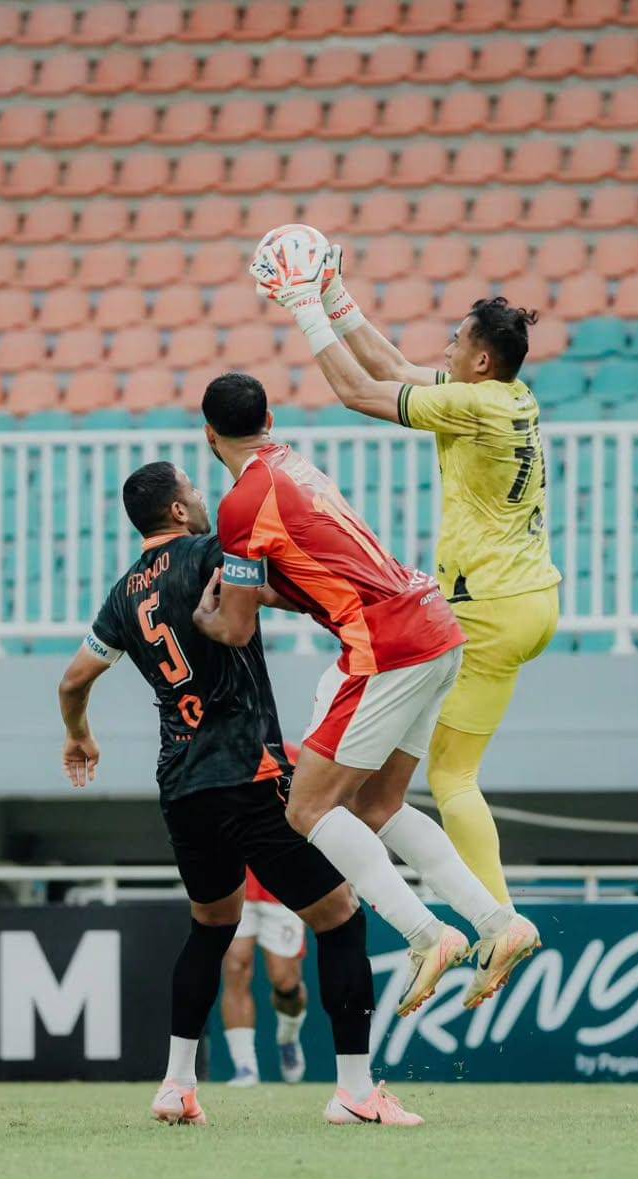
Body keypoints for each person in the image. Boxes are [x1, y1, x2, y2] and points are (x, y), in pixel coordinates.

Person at [58, 460, 423, 1127]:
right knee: (341, 917)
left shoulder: (120, 596)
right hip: (247, 775)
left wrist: (79, 736)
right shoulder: (211, 553)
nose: (202, 498)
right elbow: (279, 594)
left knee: (211, 926)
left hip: (181, 784)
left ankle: (176, 1085)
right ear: (177, 510)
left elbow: (72, 681)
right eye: (193, 491)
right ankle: (355, 1092)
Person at [193, 371, 540, 1018]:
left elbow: (234, 629)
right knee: (379, 804)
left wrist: (206, 618)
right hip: (434, 625)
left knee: (306, 807)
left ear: (210, 435)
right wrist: (270, 593)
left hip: (386, 646)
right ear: (270, 420)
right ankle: (499, 922)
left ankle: (427, 935)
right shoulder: (298, 467)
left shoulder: (240, 505)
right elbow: (325, 574)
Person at [260, 234, 560, 910]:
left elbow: (358, 391)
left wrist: (303, 307)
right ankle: (491, 915)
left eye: (456, 340)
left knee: (452, 778)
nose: (445, 350)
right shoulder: (511, 396)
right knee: (447, 773)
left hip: (487, 606)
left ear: (480, 359)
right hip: (533, 599)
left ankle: (499, 919)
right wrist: (336, 297)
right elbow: (392, 364)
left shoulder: (474, 405)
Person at [222, 868, 308, 1087]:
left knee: (285, 981)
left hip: (281, 878)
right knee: (236, 968)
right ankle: (245, 1066)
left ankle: (288, 1036)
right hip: (235, 878)